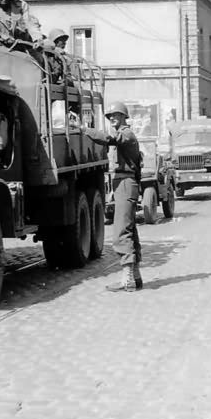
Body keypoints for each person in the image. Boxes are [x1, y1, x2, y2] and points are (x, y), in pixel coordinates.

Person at [85, 101, 143, 292]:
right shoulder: (124, 134)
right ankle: (135, 277)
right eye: (110, 116)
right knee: (129, 229)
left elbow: (109, 139)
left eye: (116, 115)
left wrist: (85, 130)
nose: (112, 118)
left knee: (121, 231)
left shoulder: (126, 134)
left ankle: (128, 280)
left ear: (124, 116)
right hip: (122, 183)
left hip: (126, 182)